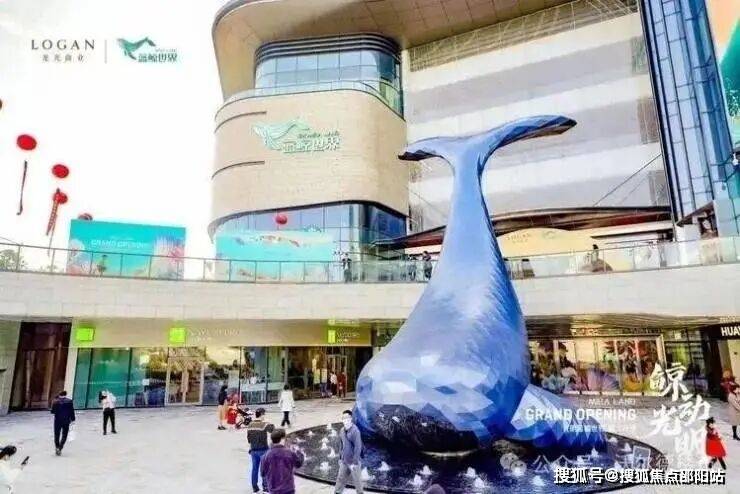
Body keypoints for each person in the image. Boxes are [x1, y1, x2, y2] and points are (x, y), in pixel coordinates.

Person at [260, 429, 304, 494]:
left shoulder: (265, 456)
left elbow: (262, 473)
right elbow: (298, 464)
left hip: (273, 490)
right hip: (288, 489)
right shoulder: (289, 453)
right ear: (282, 439)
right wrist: (301, 454)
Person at [246, 408, 275, 493]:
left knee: (254, 469)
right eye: (264, 414)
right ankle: (265, 488)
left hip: (253, 450)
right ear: (262, 414)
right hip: (263, 450)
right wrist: (269, 422)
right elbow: (273, 430)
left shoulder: (250, 424)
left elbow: (249, 439)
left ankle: (255, 488)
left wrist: (251, 448)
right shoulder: (264, 424)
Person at [335, 409, 364, 494]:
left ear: (351, 418)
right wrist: (340, 458)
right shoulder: (342, 430)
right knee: (340, 478)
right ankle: (337, 492)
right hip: (344, 460)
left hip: (354, 462)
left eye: (347, 417)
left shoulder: (355, 431)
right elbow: (341, 444)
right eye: (343, 418)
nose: (345, 419)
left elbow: (358, 447)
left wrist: (354, 462)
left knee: (357, 481)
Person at [50, 390, 75, 456]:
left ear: (59, 394)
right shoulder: (69, 401)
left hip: (57, 420)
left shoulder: (55, 401)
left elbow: (52, 412)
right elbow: (72, 411)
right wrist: (73, 419)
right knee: (64, 434)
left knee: (56, 434)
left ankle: (57, 447)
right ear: (65, 395)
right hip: (66, 420)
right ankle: (60, 448)